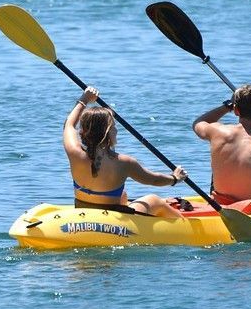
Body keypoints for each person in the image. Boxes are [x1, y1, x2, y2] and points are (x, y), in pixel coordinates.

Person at [66, 87, 187, 218]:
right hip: (113, 220)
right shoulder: (124, 162)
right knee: (154, 200)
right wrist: (175, 178)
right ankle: (186, 225)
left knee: (123, 195)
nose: (116, 131)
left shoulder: (75, 153)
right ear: (107, 132)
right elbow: (154, 180)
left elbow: (69, 124)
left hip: (85, 213)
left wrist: (84, 99)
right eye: (113, 127)